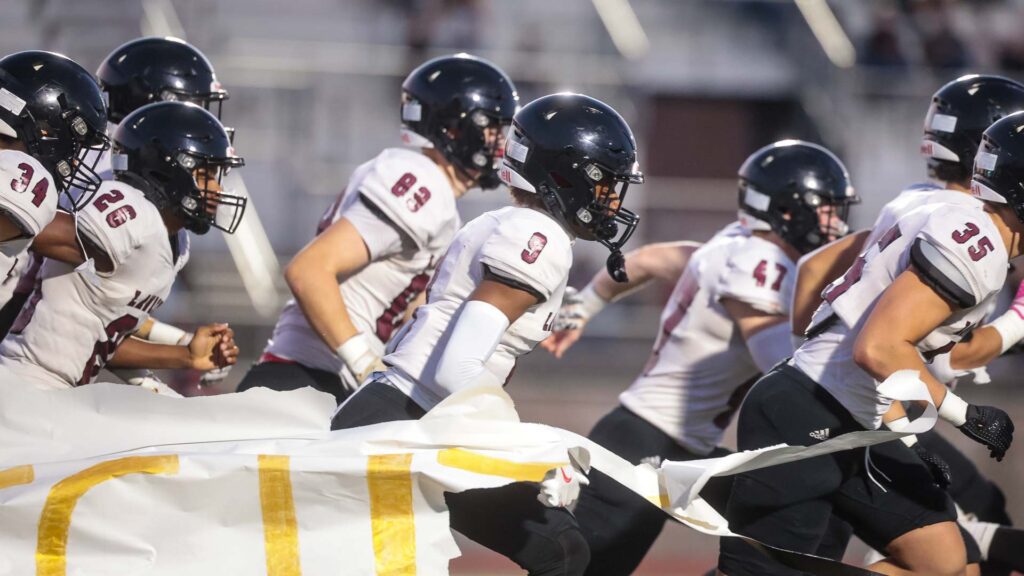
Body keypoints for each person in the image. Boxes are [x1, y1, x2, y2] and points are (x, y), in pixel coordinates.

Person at [332, 93, 642, 575]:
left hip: (407, 418)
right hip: (411, 423)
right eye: (605, 183)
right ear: (568, 176)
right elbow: (456, 368)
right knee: (558, 549)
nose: (612, 200)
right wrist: (526, 456)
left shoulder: (515, 225)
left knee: (555, 547)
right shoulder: (539, 237)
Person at [716, 112, 1024, 576]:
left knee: (942, 561)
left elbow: (830, 283)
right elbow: (877, 349)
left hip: (856, 414)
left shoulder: (940, 207)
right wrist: (967, 416)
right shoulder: (977, 245)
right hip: (808, 415)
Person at [545, 141, 858, 576]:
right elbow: (791, 376)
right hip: (646, 444)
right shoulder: (759, 264)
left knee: (803, 531)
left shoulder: (737, 246)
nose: (835, 221)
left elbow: (650, 259)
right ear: (786, 210)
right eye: (826, 208)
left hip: (678, 447)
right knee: (582, 572)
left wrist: (585, 307)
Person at [236, 53, 517, 403]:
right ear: (455, 128)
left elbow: (411, 314)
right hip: (306, 378)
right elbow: (309, 271)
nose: (501, 144)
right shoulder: (421, 181)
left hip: (323, 377)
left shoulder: (433, 193)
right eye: (492, 128)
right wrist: (363, 361)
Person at [0, 102, 243, 389]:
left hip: (58, 392)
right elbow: (29, 222)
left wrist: (185, 355)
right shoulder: (135, 212)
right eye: (206, 176)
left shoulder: (175, 240)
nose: (216, 190)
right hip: (27, 383)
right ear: (170, 170)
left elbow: (99, 341)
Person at [0, 50, 109, 311]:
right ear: (44, 134)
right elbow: (90, 247)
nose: (73, 162)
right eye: (72, 148)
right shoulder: (22, 183)